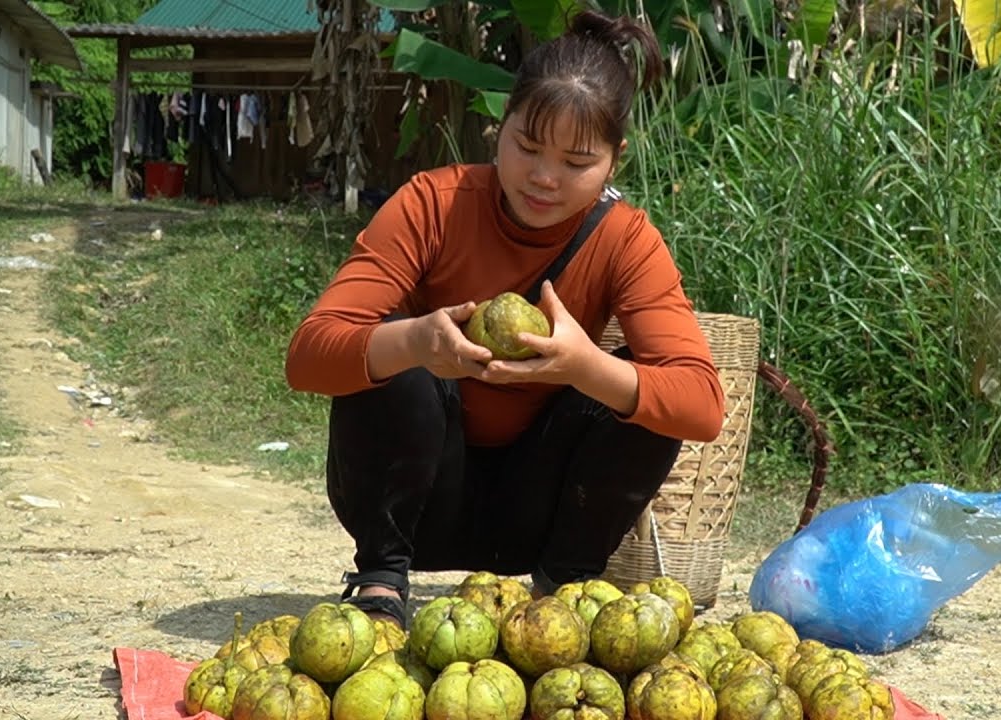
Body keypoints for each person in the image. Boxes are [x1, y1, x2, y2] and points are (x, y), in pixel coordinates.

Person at [284, 7, 725, 628]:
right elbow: (308, 357)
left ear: (613, 161)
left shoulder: (626, 239)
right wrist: (414, 339)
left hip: (539, 514)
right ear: (501, 125)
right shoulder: (431, 205)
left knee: (636, 386)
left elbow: (702, 404)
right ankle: (381, 580)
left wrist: (584, 367)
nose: (544, 178)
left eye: (577, 163)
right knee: (392, 355)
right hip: (422, 500)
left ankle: (563, 590)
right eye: (527, 146)